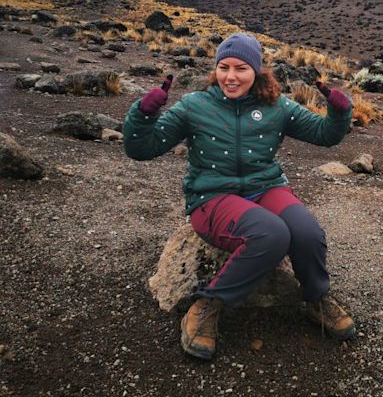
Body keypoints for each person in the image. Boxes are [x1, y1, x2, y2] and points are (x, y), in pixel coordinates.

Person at [123, 32, 354, 360]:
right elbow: (139, 148)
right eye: (224, 67)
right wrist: (143, 114)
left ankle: (315, 298)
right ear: (215, 69)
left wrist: (340, 112)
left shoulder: (276, 107)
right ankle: (208, 305)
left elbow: (325, 135)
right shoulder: (194, 106)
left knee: (306, 231)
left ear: (257, 71)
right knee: (271, 235)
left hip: (266, 188)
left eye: (241, 68)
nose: (231, 77)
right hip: (213, 196)